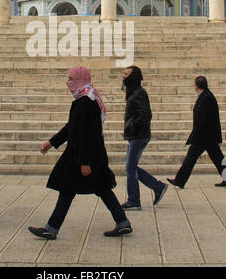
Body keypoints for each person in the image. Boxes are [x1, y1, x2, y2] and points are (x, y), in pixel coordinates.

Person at [28, 66, 132, 240]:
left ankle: (51, 228)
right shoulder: (86, 98)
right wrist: (52, 142)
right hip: (89, 154)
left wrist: (85, 162)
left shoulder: (86, 102)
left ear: (79, 79)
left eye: (71, 78)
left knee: (72, 189)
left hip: (83, 156)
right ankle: (123, 223)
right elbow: (72, 127)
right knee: (98, 189)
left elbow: (86, 133)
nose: (68, 82)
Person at [122, 65, 168, 210]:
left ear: (134, 76)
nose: (124, 76)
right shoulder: (133, 91)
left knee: (130, 167)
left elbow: (146, 114)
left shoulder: (139, 93)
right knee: (131, 166)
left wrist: (132, 127)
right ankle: (157, 186)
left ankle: (134, 200)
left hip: (138, 135)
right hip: (136, 135)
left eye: (126, 74)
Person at [167, 75, 225, 189]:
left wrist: (195, 133)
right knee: (218, 159)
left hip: (204, 136)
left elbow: (204, 118)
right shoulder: (205, 95)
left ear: (196, 86)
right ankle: (180, 180)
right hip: (208, 136)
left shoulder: (206, 97)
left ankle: (180, 180)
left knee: (191, 158)